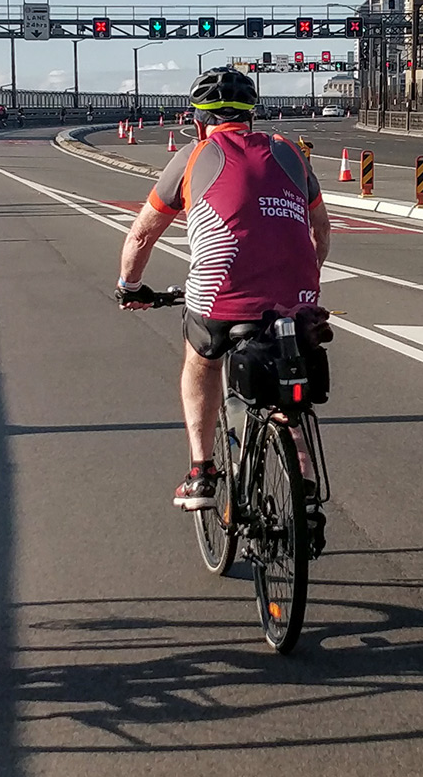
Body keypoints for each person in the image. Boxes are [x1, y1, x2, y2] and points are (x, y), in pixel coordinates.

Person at [113, 67, 330, 509]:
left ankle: (200, 473)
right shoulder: (290, 151)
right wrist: (306, 282)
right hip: (297, 291)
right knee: (290, 371)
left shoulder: (193, 155)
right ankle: (303, 473)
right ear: (252, 116)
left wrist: (129, 286)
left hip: (220, 294)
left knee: (203, 360)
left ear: (197, 121)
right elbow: (320, 229)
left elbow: (140, 236)